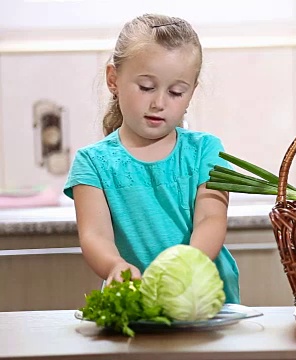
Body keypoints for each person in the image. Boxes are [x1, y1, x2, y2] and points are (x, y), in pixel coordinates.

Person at [63, 14, 240, 303]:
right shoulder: (93, 163)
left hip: (204, 303)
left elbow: (211, 218)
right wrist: (114, 266)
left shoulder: (205, 151)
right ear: (113, 79)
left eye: (176, 92)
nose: (159, 103)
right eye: (146, 87)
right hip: (139, 302)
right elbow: (95, 236)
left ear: (192, 92)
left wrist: (187, 266)